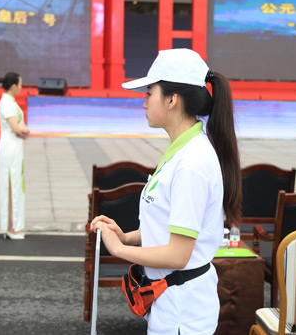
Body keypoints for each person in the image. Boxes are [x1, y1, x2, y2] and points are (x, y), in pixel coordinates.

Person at [90, 49, 242, 335]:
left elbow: (178, 254)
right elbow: (168, 225)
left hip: (182, 312)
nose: (144, 102)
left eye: (150, 94)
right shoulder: (182, 150)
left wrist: (120, 250)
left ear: (172, 100)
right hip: (171, 301)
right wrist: (127, 236)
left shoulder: (191, 162)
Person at [0, 72, 30, 240]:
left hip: (15, 148)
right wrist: (26, 130)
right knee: (11, 186)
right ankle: (10, 227)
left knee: (16, 185)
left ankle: (13, 225)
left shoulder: (10, 102)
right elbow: (17, 128)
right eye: (20, 84)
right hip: (9, 148)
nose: (21, 87)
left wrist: (23, 130)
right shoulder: (6, 104)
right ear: (13, 86)